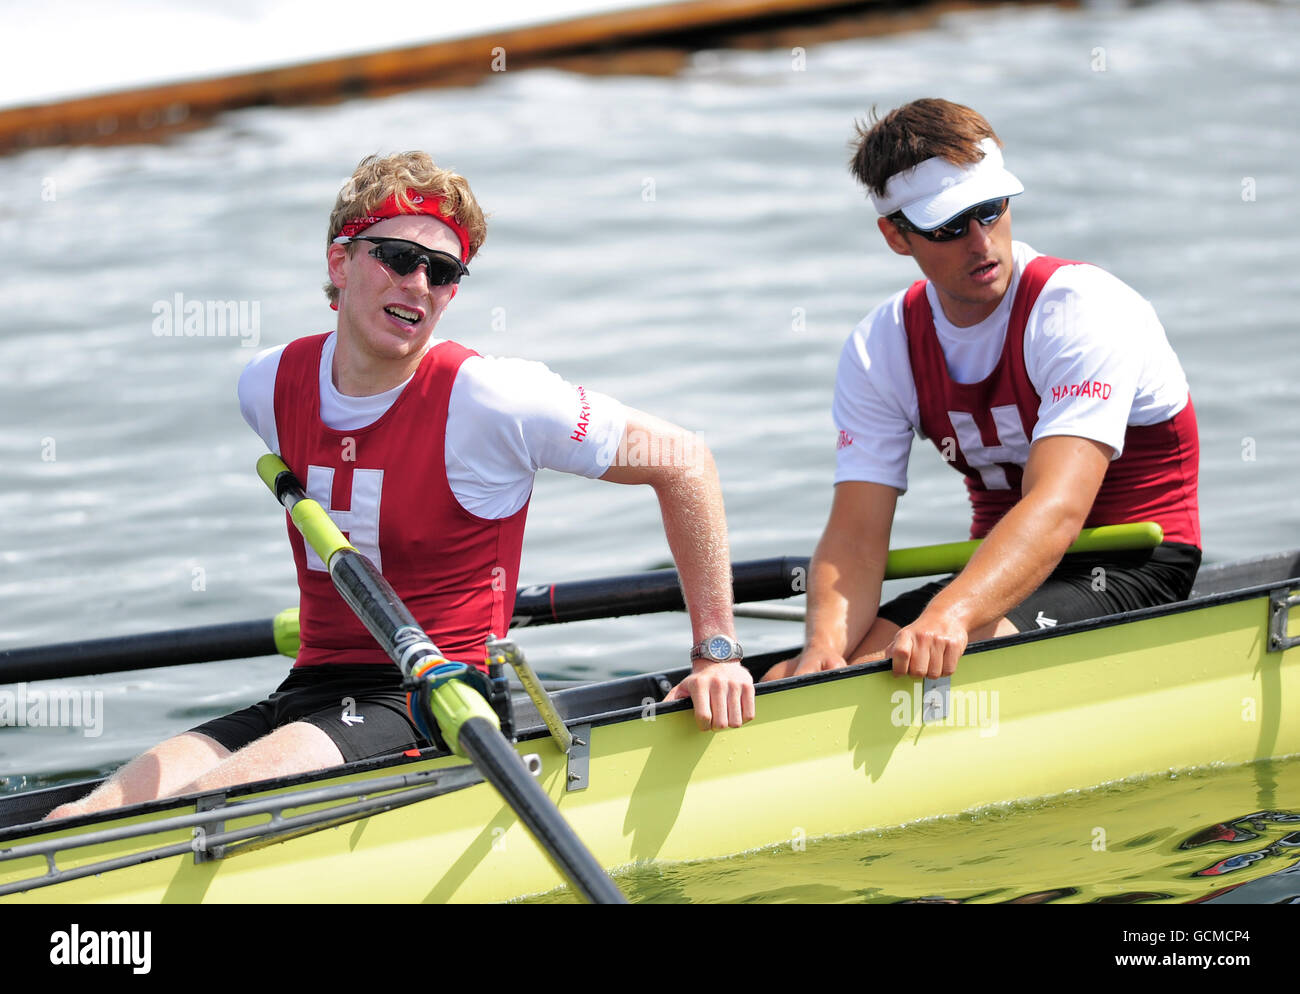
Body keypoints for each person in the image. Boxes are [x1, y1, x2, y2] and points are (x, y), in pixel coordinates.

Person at [49, 152, 753, 820]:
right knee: (86, 816)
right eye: (397, 257)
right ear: (340, 261)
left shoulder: (493, 399)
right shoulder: (266, 385)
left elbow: (685, 460)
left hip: (439, 696)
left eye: (443, 271)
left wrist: (715, 651)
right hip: (314, 687)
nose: (418, 282)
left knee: (193, 814)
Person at [762, 98, 1200, 684]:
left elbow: (1058, 506)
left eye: (990, 210)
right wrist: (821, 648)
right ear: (896, 236)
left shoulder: (1082, 309)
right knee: (813, 675)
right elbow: (857, 537)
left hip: (1133, 562)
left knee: (889, 671)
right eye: (948, 225)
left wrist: (951, 614)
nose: (980, 242)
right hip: (994, 566)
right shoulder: (879, 347)